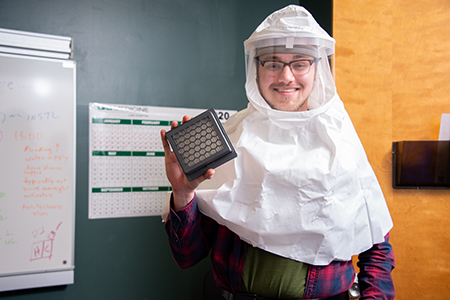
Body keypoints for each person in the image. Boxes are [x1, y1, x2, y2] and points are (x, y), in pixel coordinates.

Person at [161, 5, 395, 300]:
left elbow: (377, 247)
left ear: (317, 68)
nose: (286, 76)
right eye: (272, 63)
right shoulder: (231, 139)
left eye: (300, 63)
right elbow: (187, 256)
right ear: (255, 69)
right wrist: (183, 195)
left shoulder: (341, 142)